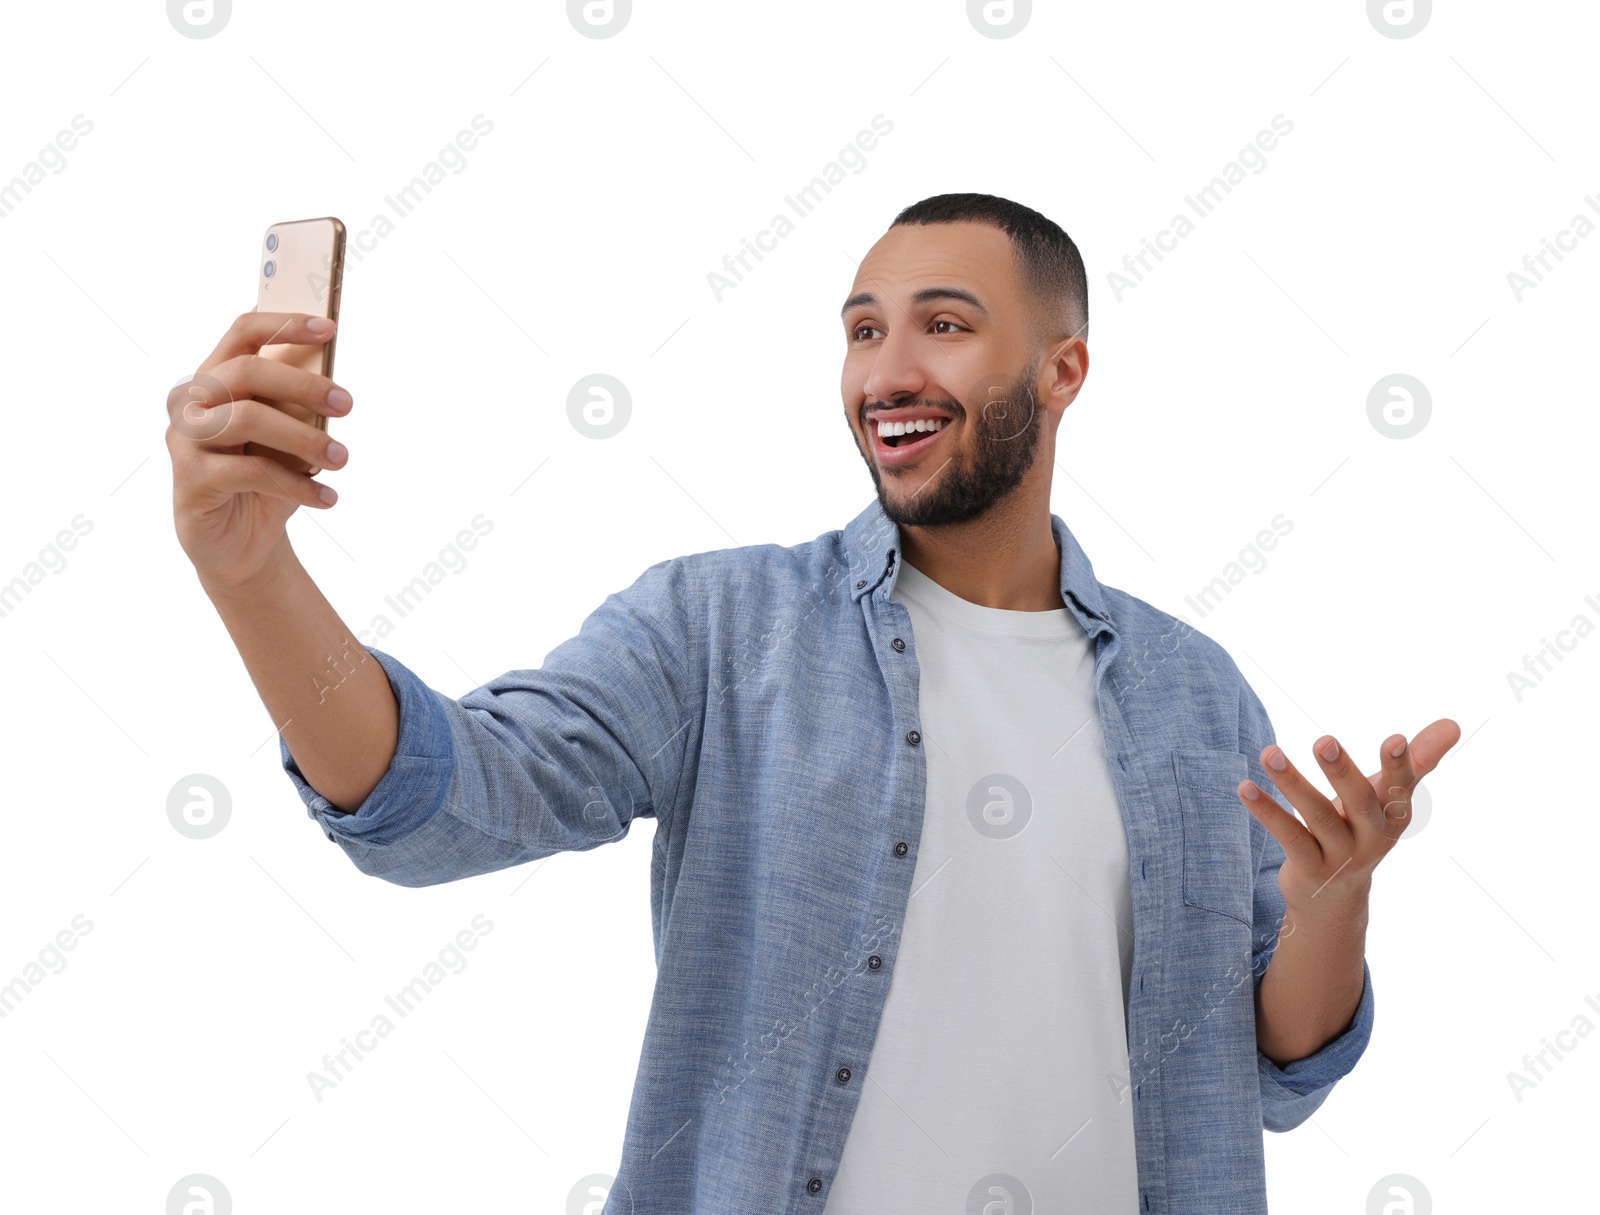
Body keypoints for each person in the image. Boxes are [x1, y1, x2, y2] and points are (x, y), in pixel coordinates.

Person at [167, 193, 1457, 1214]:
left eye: (943, 326)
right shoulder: (721, 630)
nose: (886, 370)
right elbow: (451, 800)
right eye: (861, 329)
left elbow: (1272, 1068)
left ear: (1063, 370)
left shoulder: (1191, 688)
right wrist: (254, 573)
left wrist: (1332, 899)